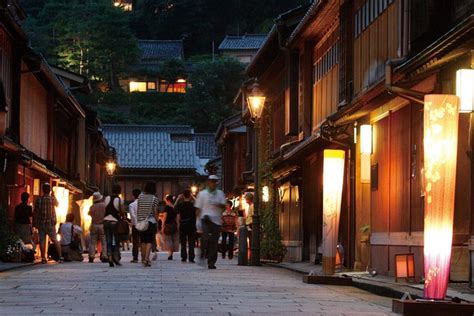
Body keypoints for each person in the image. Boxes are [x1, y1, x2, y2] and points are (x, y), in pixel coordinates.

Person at [195, 175, 226, 269]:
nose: (213, 183)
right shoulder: (202, 194)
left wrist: (218, 204)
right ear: (208, 182)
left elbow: (224, 207)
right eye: (212, 181)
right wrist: (197, 221)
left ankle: (211, 262)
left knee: (214, 242)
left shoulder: (220, 194)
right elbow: (198, 208)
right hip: (205, 218)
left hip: (216, 220)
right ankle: (203, 252)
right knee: (205, 238)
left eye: (215, 182)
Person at [33, 183, 63, 264]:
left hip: (41, 223)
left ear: (42, 190)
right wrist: (53, 194)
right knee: (55, 240)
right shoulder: (52, 199)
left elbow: (36, 212)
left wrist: (34, 223)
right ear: (49, 190)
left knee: (42, 241)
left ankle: (43, 258)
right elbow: (58, 204)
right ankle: (60, 257)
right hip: (50, 223)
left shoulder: (39, 199)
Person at [136, 182, 159, 267]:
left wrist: (139, 219)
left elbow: (138, 209)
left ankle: (143, 258)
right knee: (149, 241)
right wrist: (157, 222)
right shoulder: (154, 198)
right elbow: (155, 211)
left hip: (141, 221)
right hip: (150, 221)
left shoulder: (140, 197)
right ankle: (146, 258)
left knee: (143, 241)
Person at [103, 184, 124, 267]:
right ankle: (116, 257)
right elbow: (122, 211)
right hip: (115, 222)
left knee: (108, 241)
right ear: (119, 191)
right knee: (116, 241)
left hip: (106, 221)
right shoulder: (119, 200)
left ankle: (110, 257)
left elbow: (104, 209)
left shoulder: (106, 198)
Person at [175, 189, 196, 263]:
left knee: (183, 242)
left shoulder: (180, 205)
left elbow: (176, 213)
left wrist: (178, 199)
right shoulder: (193, 205)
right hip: (192, 225)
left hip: (183, 225)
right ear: (190, 196)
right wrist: (193, 197)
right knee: (191, 242)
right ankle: (191, 257)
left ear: (183, 196)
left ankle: (184, 257)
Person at [88, 191, 107, 263]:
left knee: (92, 242)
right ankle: (104, 255)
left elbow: (89, 214)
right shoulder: (104, 205)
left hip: (94, 225)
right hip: (102, 225)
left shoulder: (92, 207)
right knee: (104, 241)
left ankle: (91, 256)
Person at [161, 195, 179, 260]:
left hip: (167, 225)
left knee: (168, 240)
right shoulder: (174, 208)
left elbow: (164, 217)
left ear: (168, 200)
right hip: (174, 225)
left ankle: (169, 253)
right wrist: (177, 225)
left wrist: (162, 226)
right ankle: (171, 254)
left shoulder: (166, 207)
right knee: (173, 239)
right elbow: (177, 218)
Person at [129, 188, 141, 263]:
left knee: (135, 242)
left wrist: (135, 224)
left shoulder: (131, 205)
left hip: (135, 225)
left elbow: (133, 216)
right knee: (144, 241)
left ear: (133, 196)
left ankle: (135, 257)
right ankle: (145, 256)